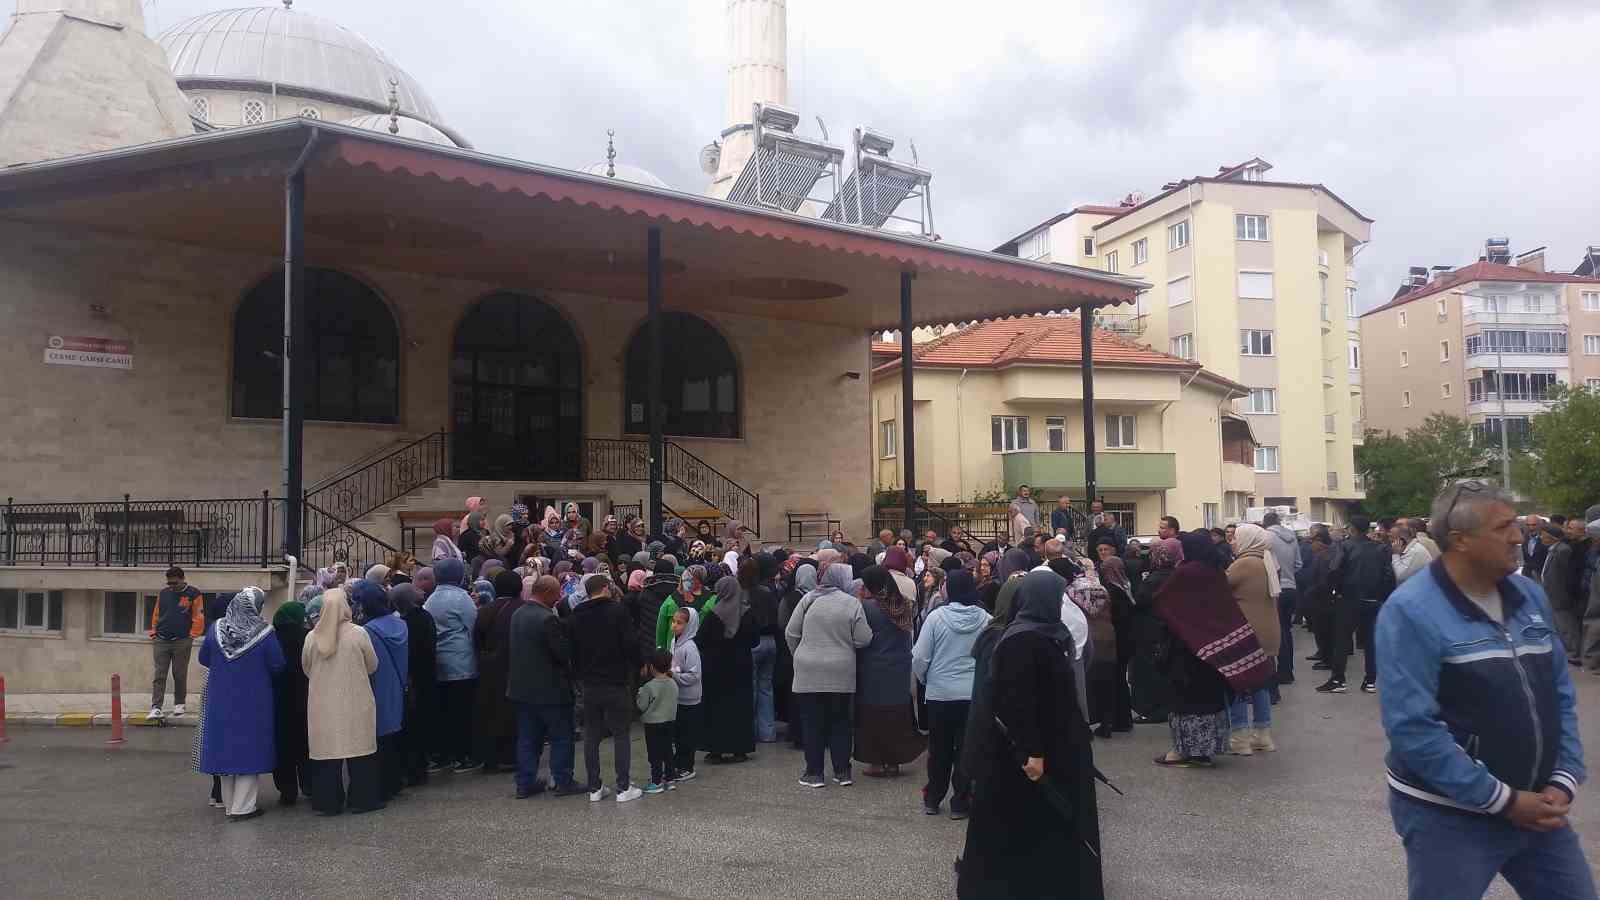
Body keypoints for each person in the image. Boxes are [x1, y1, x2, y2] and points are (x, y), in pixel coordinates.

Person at [1378, 482, 1592, 899]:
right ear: (1460, 540)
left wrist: (1563, 776)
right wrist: (1503, 800)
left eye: (1516, 525)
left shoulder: (1529, 596)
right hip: (1448, 815)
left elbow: (1558, 693)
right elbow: (1412, 729)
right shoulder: (1411, 611)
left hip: (1538, 807)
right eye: (1503, 527)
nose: (1518, 537)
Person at [957, 569, 1104, 899]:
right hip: (1032, 754)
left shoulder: (1045, 632)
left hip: (1055, 744)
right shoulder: (1022, 640)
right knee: (1026, 822)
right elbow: (1018, 702)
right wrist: (1032, 751)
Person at [1151, 533, 1274, 767]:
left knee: (1185, 702)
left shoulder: (1187, 572)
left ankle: (1183, 751)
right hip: (1212, 653)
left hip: (1188, 651)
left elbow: (1161, 600)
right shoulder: (1215, 571)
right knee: (1209, 701)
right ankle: (1205, 751)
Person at [197, 586, 284, 822]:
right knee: (249, 750)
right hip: (253, 701)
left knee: (225, 751)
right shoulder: (264, 632)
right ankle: (243, 807)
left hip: (220, 699)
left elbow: (203, 658)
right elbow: (277, 663)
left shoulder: (216, 628)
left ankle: (229, 804)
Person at [787, 562, 874, 787]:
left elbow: (791, 632)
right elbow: (863, 638)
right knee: (841, 722)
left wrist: (801, 654)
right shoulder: (852, 603)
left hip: (808, 671)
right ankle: (842, 771)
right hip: (840, 672)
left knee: (812, 722)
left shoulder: (808, 599)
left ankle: (814, 773)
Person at [912, 568, 989, 817]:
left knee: (939, 748)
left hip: (941, 692)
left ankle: (933, 797)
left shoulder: (935, 618)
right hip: (972, 693)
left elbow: (920, 656)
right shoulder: (986, 619)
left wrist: (926, 679)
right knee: (966, 748)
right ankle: (961, 800)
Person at [302, 588, 382, 815]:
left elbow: (306, 667)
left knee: (326, 754)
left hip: (322, 703)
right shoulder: (358, 633)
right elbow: (372, 665)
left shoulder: (312, 637)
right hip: (355, 700)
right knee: (360, 750)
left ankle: (328, 802)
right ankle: (362, 800)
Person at [506, 575, 583, 798]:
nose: (559, 598)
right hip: (550, 689)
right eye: (557, 593)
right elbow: (562, 654)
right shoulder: (547, 619)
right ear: (546, 592)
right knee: (561, 737)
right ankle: (562, 780)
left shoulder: (517, 614)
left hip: (521, 688)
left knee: (528, 738)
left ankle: (525, 782)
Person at [568, 573, 641, 802]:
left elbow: (572, 650)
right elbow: (630, 644)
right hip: (615, 679)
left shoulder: (576, 615)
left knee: (592, 733)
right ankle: (623, 786)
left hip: (589, 682)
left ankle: (594, 787)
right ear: (606, 588)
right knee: (620, 732)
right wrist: (637, 665)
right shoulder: (618, 611)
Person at [854, 566, 924, 777]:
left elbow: (861, 637)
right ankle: (894, 762)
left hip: (874, 667)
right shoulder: (906, 604)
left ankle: (876, 762)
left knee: (873, 714)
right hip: (900, 666)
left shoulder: (867, 608)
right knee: (897, 713)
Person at [1320, 514, 1395, 695]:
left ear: (1352, 529)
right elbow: (1389, 575)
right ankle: (1370, 681)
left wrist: (1334, 591)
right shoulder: (1381, 549)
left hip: (1349, 599)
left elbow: (1334, 570)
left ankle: (1338, 679)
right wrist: (1382, 596)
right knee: (1371, 642)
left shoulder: (1345, 546)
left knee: (1342, 640)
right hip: (1373, 600)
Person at [350, 580, 408, 802]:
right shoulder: (401, 624)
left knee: (378, 739)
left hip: (376, 686)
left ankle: (383, 785)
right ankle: (395, 781)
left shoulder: (367, 631)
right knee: (393, 735)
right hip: (398, 683)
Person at [1226, 524, 1281, 755]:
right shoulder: (1266, 560)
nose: (1232, 542)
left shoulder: (1244, 563)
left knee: (1238, 684)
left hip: (1247, 633)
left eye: (1235, 538)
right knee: (1260, 685)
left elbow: (1221, 586)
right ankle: (1262, 735)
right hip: (1267, 633)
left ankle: (1239, 737)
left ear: (1248, 540)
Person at [424, 557, 480, 772]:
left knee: (444, 712)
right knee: (462, 712)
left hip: (440, 661)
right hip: (461, 662)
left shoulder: (431, 599)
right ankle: (463, 756)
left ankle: (443, 756)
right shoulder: (461, 598)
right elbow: (472, 627)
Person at [699, 572, 757, 764]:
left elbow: (701, 640)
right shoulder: (746, 613)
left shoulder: (713, 615)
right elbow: (755, 640)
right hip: (741, 666)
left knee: (716, 707)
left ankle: (716, 749)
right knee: (739, 707)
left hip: (715, 667)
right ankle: (740, 748)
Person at [472, 570, 526, 774]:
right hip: (519, 667)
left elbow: (477, 641)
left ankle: (492, 757)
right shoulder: (524, 609)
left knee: (492, 713)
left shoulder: (484, 611)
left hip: (490, 669)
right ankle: (513, 755)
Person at [388, 583, 436, 786]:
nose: (421, 591)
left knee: (413, 726)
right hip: (423, 678)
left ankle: (413, 769)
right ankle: (418, 768)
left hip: (413, 680)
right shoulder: (422, 618)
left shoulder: (405, 623)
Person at [148, 566, 206, 720]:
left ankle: (179, 703)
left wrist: (192, 635)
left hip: (182, 640)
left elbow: (198, 615)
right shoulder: (163, 593)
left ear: (182, 579)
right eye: (169, 583)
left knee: (179, 673)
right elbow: (157, 613)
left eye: (174, 583)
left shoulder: (194, 593)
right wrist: (154, 631)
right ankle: (156, 707)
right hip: (161, 639)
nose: (172, 586)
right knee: (159, 674)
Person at [269, 598, 311, 807]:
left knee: (282, 747)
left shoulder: (270, 638)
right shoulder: (307, 637)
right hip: (304, 698)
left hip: (277, 700)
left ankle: (287, 791)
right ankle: (309, 786)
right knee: (305, 745)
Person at [1261, 511, 1302, 686]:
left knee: (1276, 632)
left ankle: (1280, 672)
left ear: (1265, 523)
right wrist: (1289, 574)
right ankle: (1288, 670)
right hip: (1291, 587)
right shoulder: (1292, 537)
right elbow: (1299, 564)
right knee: (1286, 630)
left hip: (1275, 588)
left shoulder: (1265, 537)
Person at [636, 649, 681, 794]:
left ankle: (656, 782)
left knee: (654, 753)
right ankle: (670, 778)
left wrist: (639, 694)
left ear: (652, 667)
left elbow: (641, 705)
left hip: (652, 724)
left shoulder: (649, 687)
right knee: (668, 750)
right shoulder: (673, 683)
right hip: (670, 721)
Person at [748, 553, 782, 743]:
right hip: (771, 640)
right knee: (766, 687)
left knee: (752, 686)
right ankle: (768, 732)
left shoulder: (751, 590)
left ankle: (751, 731)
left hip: (754, 641)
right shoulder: (773, 589)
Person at [1543, 522, 1584, 665]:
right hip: (1553, 594)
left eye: (1544, 535)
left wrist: (1565, 594)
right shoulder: (1552, 549)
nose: (1541, 537)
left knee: (1567, 626)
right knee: (1560, 626)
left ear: (1551, 537)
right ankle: (1567, 651)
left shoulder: (1562, 550)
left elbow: (1566, 575)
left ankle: (1574, 653)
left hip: (1561, 595)